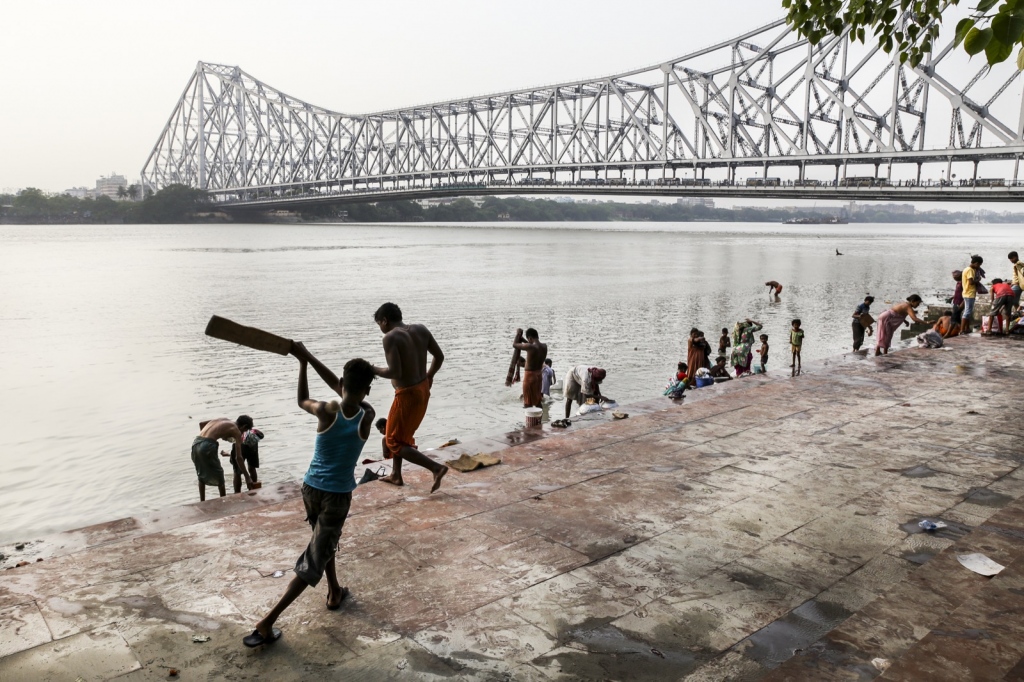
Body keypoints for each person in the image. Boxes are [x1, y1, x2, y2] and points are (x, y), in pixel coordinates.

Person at [243, 344, 376, 648]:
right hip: (337, 495)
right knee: (314, 558)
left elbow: (303, 398)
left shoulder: (326, 409)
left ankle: (334, 591)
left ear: (342, 384)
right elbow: (347, 389)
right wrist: (310, 358)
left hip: (310, 487)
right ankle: (267, 622)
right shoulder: (367, 415)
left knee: (323, 542)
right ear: (367, 390)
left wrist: (304, 362)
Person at [371, 302, 448, 493]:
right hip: (422, 389)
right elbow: (439, 356)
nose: (380, 329)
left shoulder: (390, 337)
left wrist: (371, 369)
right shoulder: (421, 329)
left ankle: (436, 468)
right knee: (402, 436)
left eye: (379, 324)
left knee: (392, 441)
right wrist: (429, 375)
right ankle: (396, 475)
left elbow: (394, 371)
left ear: (384, 320)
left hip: (406, 395)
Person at [192, 418, 251, 501]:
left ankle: (202, 501)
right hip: (207, 445)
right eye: (244, 431)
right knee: (220, 476)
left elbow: (201, 424)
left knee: (201, 474)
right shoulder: (236, 431)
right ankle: (223, 501)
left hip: (196, 443)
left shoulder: (224, 420)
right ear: (243, 427)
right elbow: (239, 457)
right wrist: (247, 477)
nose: (242, 433)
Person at [221, 415, 263, 494]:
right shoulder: (249, 434)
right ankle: (253, 489)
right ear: (245, 426)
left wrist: (247, 477)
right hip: (253, 443)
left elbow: (238, 457)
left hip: (241, 445)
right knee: (252, 467)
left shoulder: (232, 428)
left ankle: (237, 493)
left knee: (237, 471)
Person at [513, 328, 547, 408]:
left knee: (527, 403)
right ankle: (540, 419)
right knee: (538, 401)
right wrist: (525, 340)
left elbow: (514, 345)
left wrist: (518, 334)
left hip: (530, 377)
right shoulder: (544, 346)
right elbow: (530, 344)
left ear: (530, 338)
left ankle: (529, 420)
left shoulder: (530, 347)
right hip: (539, 375)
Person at [961, 256, 983, 334]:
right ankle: (962, 330)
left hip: (966, 293)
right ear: (976, 263)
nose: (979, 267)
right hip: (969, 293)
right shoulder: (970, 270)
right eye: (979, 265)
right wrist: (978, 280)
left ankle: (966, 328)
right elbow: (971, 282)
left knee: (967, 311)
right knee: (967, 312)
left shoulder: (967, 269)